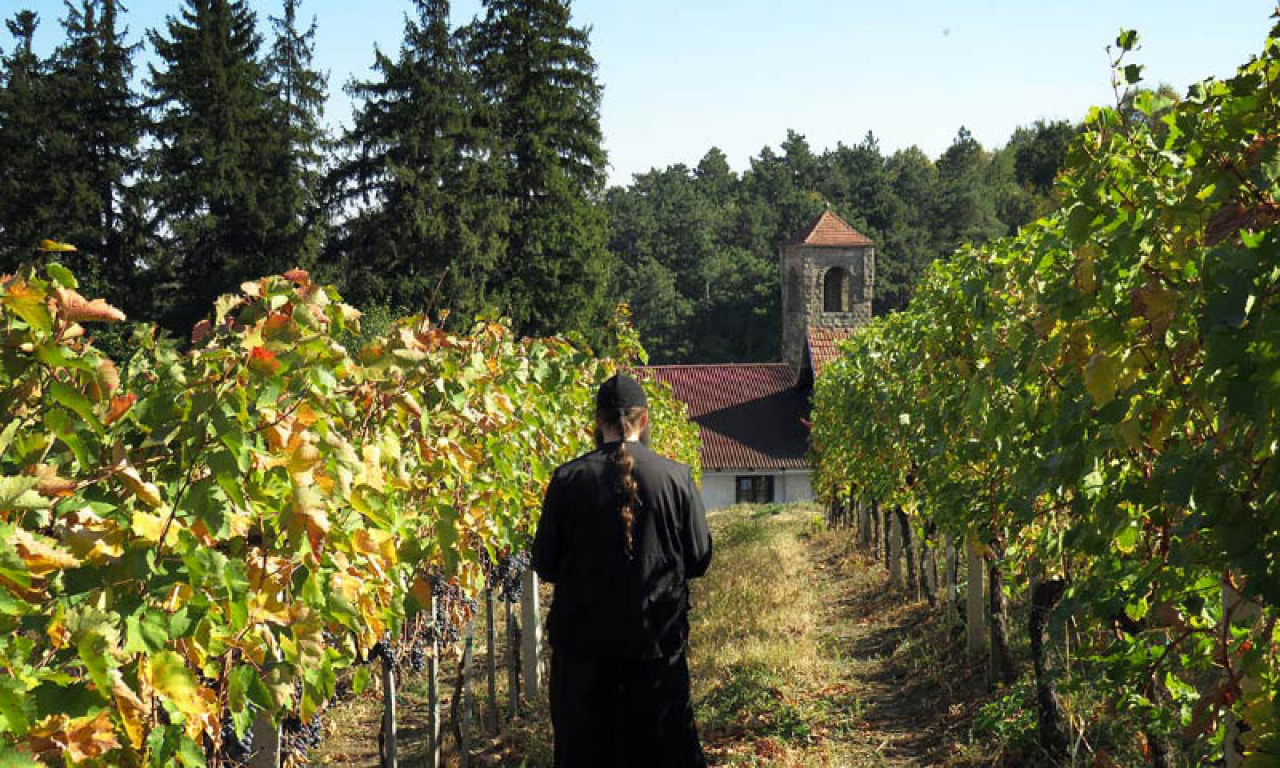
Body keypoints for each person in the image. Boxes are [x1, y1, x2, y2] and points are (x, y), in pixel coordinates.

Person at [532, 372, 713, 768]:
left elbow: (544, 562)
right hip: (656, 649)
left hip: (583, 655)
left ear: (597, 422)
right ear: (644, 420)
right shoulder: (676, 477)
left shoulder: (567, 479)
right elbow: (699, 558)